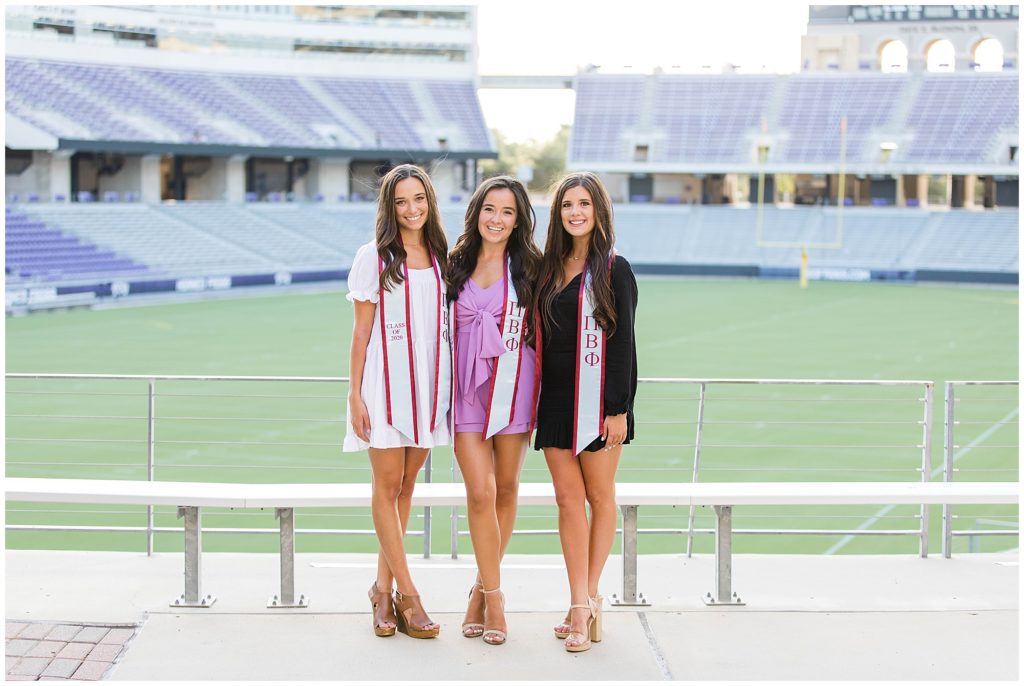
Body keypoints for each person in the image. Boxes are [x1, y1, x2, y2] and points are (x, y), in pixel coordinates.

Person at [344, 164, 451, 640]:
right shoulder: (374, 256)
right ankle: (408, 595)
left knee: (407, 486)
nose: (411, 209)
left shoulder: (444, 255)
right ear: (389, 207)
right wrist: (353, 394)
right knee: (387, 486)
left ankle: (380, 589)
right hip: (384, 388)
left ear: (430, 201)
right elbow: (361, 332)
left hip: (429, 388)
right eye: (401, 201)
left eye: (419, 199)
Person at [532, 172, 638, 653]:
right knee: (567, 501)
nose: (575, 212)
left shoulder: (615, 269)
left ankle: (588, 598)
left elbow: (625, 345)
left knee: (599, 495)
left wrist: (619, 408)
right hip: (556, 401)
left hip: (600, 404)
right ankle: (579, 600)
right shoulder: (547, 270)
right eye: (567, 205)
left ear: (599, 211)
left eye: (584, 204)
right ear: (557, 213)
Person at [447, 176, 542, 646]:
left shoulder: (532, 268)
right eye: (490, 209)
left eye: (507, 212)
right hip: (467, 389)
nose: (497, 219)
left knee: (506, 488)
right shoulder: (455, 264)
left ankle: (479, 591)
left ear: (519, 218)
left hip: (513, 388)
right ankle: (496, 596)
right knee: (480, 493)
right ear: (476, 212)